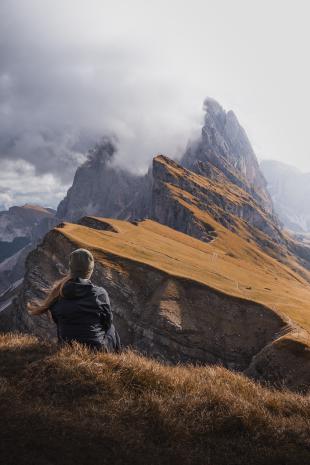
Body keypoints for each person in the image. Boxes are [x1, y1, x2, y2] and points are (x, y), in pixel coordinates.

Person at [28, 248, 121, 353]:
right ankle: (116, 362)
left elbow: (58, 321)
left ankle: (63, 346)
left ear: (70, 268)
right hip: (96, 351)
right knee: (112, 329)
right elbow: (107, 322)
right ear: (90, 270)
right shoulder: (100, 293)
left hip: (67, 348)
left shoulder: (58, 294)